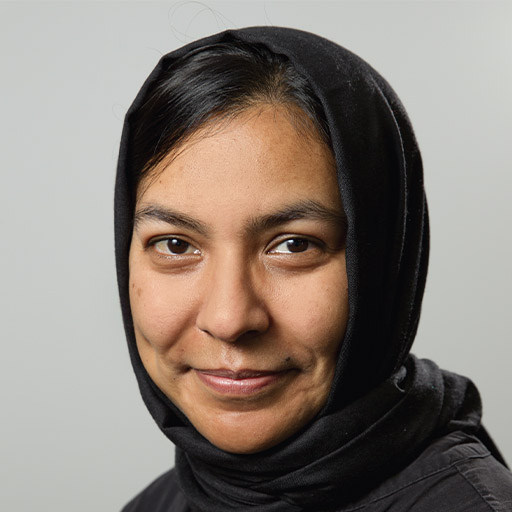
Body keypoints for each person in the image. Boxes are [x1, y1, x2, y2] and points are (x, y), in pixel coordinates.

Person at [115, 27, 512, 511]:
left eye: (293, 245)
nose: (229, 319)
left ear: (383, 265)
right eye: (176, 245)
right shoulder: (160, 503)